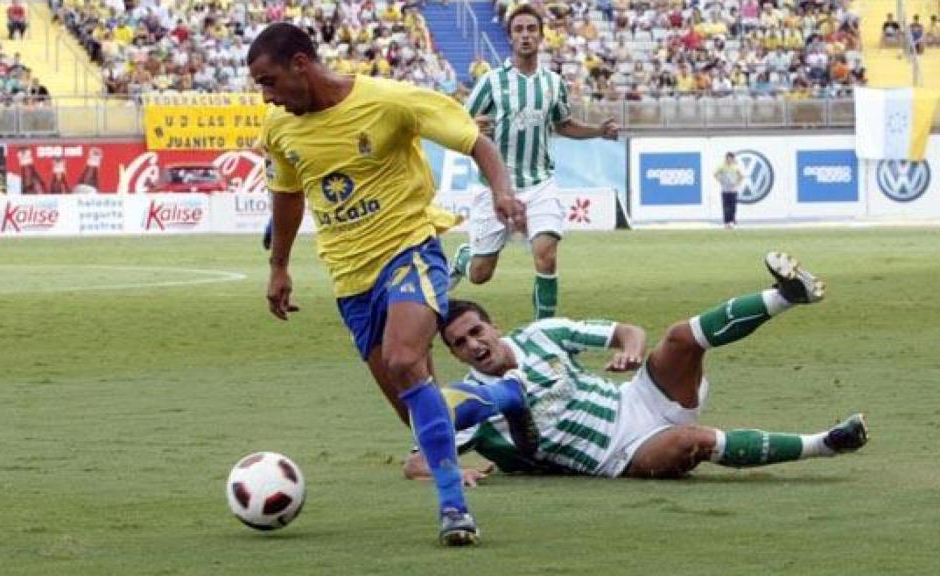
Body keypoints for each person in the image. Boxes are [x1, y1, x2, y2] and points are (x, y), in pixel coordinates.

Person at [249, 23, 527, 546]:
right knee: (415, 410)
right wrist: (279, 266)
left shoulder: (390, 101)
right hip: (350, 280)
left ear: (300, 65)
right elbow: (287, 195)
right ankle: (505, 404)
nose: (266, 95)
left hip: (409, 250)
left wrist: (501, 193)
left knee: (404, 360)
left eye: (269, 81)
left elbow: (477, 142)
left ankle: (453, 509)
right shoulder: (279, 129)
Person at [404, 252, 868, 481]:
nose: (473, 345)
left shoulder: (541, 335)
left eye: (476, 332)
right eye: (460, 343)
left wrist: (629, 351)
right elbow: (416, 461)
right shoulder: (469, 398)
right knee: (693, 442)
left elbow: (628, 331)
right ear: (454, 354)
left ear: (493, 326)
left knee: (679, 338)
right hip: (623, 453)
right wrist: (449, 472)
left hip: (638, 396)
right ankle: (824, 445)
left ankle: (786, 296)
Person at [448, 3, 619, 321]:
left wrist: (598, 131)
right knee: (480, 274)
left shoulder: (553, 83)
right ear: (510, 38)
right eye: (518, 30)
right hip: (497, 188)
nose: (525, 36)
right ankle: (463, 259)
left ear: (541, 37)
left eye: (531, 30)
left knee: (546, 256)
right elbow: (458, 123)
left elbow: (563, 124)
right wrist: (473, 127)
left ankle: (545, 333)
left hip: (541, 184)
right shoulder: (491, 82)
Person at [714, 152, 743, 229]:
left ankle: (732, 222)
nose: (729, 160)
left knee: (733, 207)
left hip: (733, 190)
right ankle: (726, 222)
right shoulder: (722, 166)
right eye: (727, 158)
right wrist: (721, 180)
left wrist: (737, 183)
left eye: (730, 158)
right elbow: (715, 174)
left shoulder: (736, 167)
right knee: (726, 207)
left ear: (733, 159)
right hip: (725, 190)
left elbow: (741, 176)